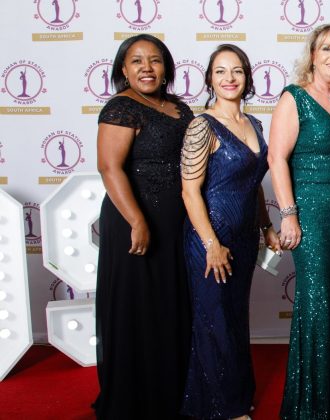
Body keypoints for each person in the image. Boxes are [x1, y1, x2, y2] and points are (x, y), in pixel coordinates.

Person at [267, 23, 330, 420]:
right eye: (326, 49)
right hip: (308, 209)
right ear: (312, 54)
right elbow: (276, 160)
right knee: (316, 296)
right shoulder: (295, 99)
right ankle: (311, 400)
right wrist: (288, 215)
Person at [179, 44, 281, 420]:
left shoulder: (253, 125)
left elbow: (252, 184)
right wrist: (210, 245)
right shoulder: (201, 125)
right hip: (210, 238)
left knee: (235, 318)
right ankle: (224, 408)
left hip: (242, 237)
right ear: (209, 79)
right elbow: (189, 191)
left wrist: (266, 226)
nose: (229, 79)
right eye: (220, 72)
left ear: (247, 77)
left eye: (236, 71)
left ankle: (233, 394)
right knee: (214, 321)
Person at [94, 34, 193, 419]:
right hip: (135, 222)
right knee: (138, 308)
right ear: (123, 69)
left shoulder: (179, 108)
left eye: (154, 60)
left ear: (166, 67)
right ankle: (137, 398)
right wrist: (137, 220)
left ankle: (173, 391)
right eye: (136, 61)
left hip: (176, 224)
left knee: (169, 307)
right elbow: (110, 167)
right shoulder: (121, 107)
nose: (146, 68)